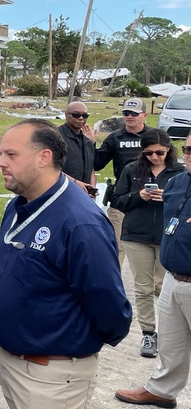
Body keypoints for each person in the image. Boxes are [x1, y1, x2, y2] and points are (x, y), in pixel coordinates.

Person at [0, 119, 131, 409]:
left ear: (44, 157)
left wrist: (73, 347)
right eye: (1, 153)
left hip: (51, 370)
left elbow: (110, 305)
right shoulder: (22, 205)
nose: (0, 162)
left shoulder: (78, 220)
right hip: (17, 361)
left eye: (10, 154)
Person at [115, 140, 191, 409]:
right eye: (187, 149)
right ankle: (162, 391)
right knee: (171, 341)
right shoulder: (178, 182)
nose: (189, 155)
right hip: (174, 276)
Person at [110, 128, 183, 358]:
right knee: (142, 288)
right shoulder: (132, 170)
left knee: (167, 288)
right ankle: (149, 333)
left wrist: (168, 199)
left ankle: (171, 333)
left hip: (168, 236)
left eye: (159, 153)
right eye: (149, 153)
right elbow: (117, 200)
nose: (154, 157)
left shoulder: (181, 173)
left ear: (169, 150)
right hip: (136, 236)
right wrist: (138, 196)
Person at [94, 97, 149, 266]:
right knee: (116, 244)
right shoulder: (114, 137)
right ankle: (113, 281)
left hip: (149, 195)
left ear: (144, 115)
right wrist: (90, 143)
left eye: (134, 113)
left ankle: (157, 288)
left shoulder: (154, 136)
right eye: (126, 113)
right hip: (122, 195)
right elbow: (97, 164)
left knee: (152, 243)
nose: (129, 116)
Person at [57, 100, 97, 197]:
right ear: (66, 115)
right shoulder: (56, 137)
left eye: (85, 116)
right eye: (76, 115)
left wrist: (92, 186)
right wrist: (75, 183)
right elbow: (50, 170)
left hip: (83, 196)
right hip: (61, 193)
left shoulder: (88, 141)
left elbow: (91, 169)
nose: (81, 118)